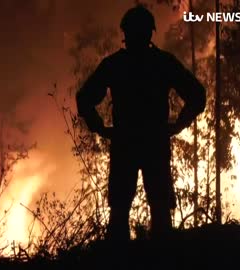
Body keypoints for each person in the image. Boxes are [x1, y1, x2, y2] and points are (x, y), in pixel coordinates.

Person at [76, 5, 206, 240]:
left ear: (126, 34)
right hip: (153, 142)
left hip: (126, 143)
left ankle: (123, 259)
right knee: (155, 208)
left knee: (122, 210)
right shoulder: (162, 62)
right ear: (150, 33)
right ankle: (158, 257)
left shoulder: (115, 65)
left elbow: (84, 99)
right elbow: (197, 95)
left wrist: (102, 129)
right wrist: (177, 125)